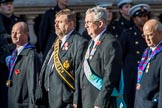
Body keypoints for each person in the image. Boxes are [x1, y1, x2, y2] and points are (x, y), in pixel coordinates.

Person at [37, 9, 87, 108]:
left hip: (65, 100)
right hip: (49, 98)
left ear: (71, 24)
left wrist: (76, 101)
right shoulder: (57, 41)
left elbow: (79, 75)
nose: (56, 25)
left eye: (60, 22)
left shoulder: (80, 43)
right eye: (55, 22)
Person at [73, 6, 122, 108]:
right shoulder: (91, 42)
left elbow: (110, 76)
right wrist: (76, 100)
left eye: (89, 22)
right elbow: (81, 72)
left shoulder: (110, 43)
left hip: (100, 103)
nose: (86, 26)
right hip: (86, 99)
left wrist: (100, 102)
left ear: (100, 23)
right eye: (85, 22)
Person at [119, 3, 151, 108]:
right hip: (132, 75)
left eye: (145, 16)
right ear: (134, 19)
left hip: (148, 74)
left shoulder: (152, 35)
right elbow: (120, 56)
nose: (143, 18)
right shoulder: (127, 34)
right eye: (140, 16)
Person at [5, 22, 41, 108]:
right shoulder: (14, 53)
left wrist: (33, 105)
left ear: (26, 34)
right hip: (13, 102)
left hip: (24, 104)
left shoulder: (31, 55)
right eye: (12, 33)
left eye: (17, 33)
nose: (14, 36)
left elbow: (33, 82)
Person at [134, 19, 162, 108]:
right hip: (140, 102)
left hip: (153, 104)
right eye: (144, 35)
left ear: (160, 33)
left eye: (150, 35)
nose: (147, 39)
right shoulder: (147, 51)